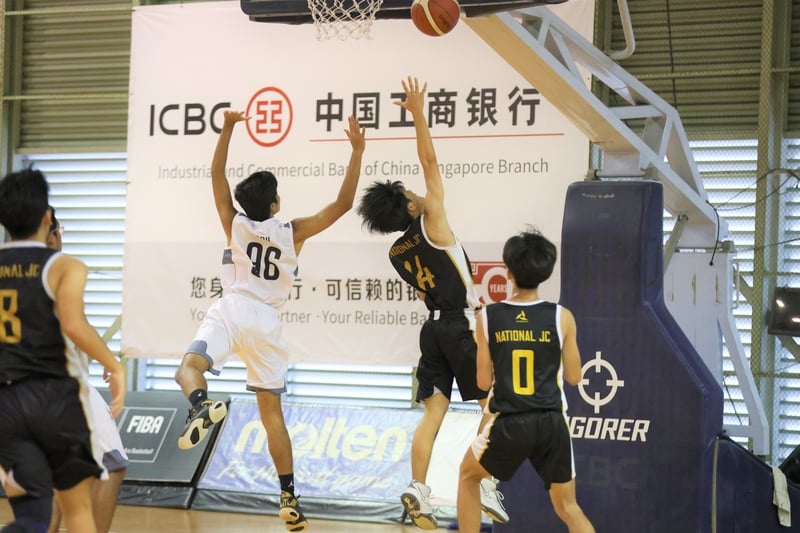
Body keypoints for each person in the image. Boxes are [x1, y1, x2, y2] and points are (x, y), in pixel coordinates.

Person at [174, 110, 365, 532]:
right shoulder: (292, 231)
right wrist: (357, 152)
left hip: (231, 309)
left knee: (188, 368)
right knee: (271, 413)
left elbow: (216, 174)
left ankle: (200, 406)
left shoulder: (234, 223)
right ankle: (288, 498)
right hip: (266, 325)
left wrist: (226, 128)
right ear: (275, 204)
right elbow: (342, 205)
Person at [356, 76, 507, 530]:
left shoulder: (395, 251)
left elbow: (425, 293)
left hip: (432, 331)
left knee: (433, 413)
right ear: (409, 208)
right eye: (410, 195)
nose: (418, 193)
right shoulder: (433, 221)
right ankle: (484, 480)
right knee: (493, 404)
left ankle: (418, 487)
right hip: (461, 326)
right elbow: (429, 160)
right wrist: (418, 112)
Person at [0, 168, 126, 533]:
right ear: (45, 220)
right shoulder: (62, 266)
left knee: (34, 512)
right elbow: (73, 325)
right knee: (96, 485)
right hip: (54, 396)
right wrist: (113, 365)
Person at [456, 228, 595, 533]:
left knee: (468, 476)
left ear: (507, 271)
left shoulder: (488, 317)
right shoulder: (563, 317)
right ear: (546, 272)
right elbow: (574, 377)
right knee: (568, 508)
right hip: (551, 423)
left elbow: (482, 382)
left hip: (509, 422)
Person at [44, 208, 129, 533]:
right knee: (113, 462)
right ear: (48, 230)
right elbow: (73, 323)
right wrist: (111, 363)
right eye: (58, 228)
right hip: (60, 386)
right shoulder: (55, 268)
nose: (61, 235)